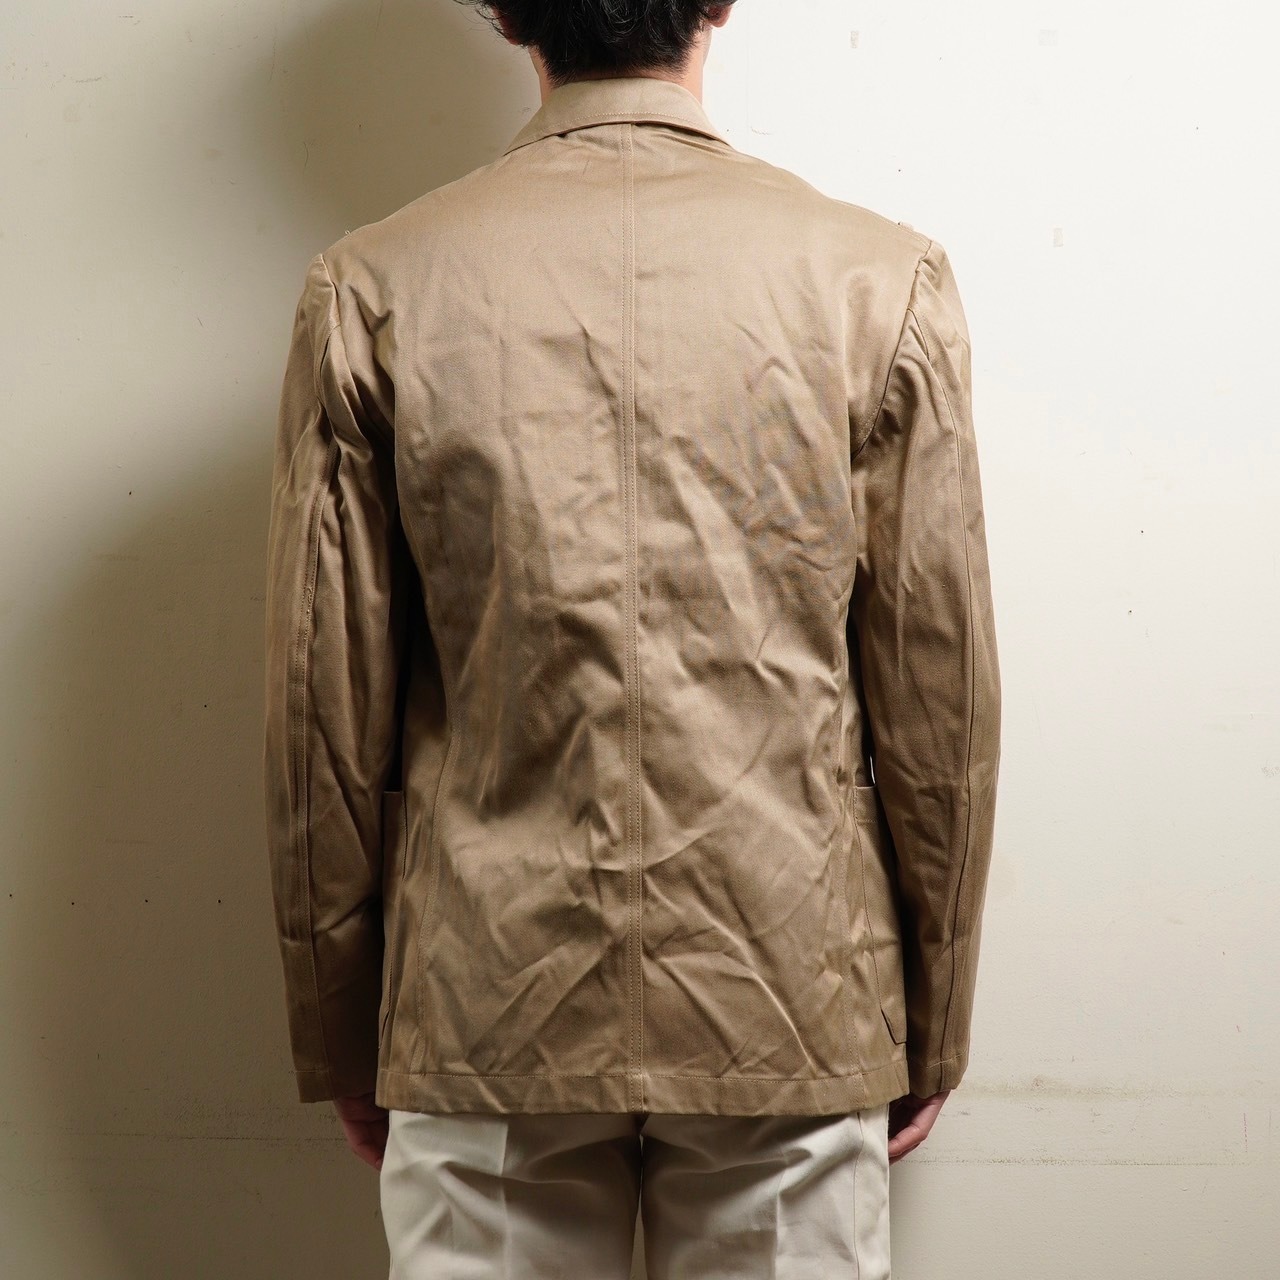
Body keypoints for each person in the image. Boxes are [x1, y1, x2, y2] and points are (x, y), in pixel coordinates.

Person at [262, 2, 1002, 1275]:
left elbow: (319, 715)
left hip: (484, 999)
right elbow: (939, 700)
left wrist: (343, 1027)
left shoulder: (373, 287)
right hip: (790, 989)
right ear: (719, 0)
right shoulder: (878, 282)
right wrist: (927, 1014)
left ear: (506, 12)